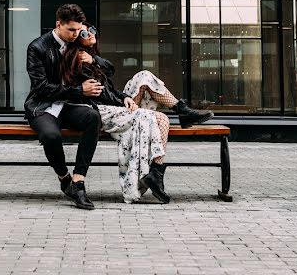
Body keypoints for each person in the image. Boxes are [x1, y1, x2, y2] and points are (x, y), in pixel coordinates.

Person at [62, 22, 213, 204]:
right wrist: (122, 99)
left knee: (145, 76)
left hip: (115, 103)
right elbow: (100, 93)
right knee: (162, 119)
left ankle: (181, 111)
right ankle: (157, 172)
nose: (91, 34)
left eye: (92, 30)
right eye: (84, 33)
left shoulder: (91, 57)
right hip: (101, 110)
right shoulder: (77, 57)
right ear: (76, 38)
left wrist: (124, 95)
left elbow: (110, 71)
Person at [24, 4, 103, 210]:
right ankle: (64, 179)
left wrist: (92, 54)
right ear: (58, 24)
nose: (75, 34)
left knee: (93, 117)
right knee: (51, 136)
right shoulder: (37, 47)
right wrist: (79, 91)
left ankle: (78, 182)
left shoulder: (79, 43)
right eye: (71, 30)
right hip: (43, 106)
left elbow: (104, 70)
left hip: (68, 105)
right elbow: (41, 88)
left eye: (78, 29)